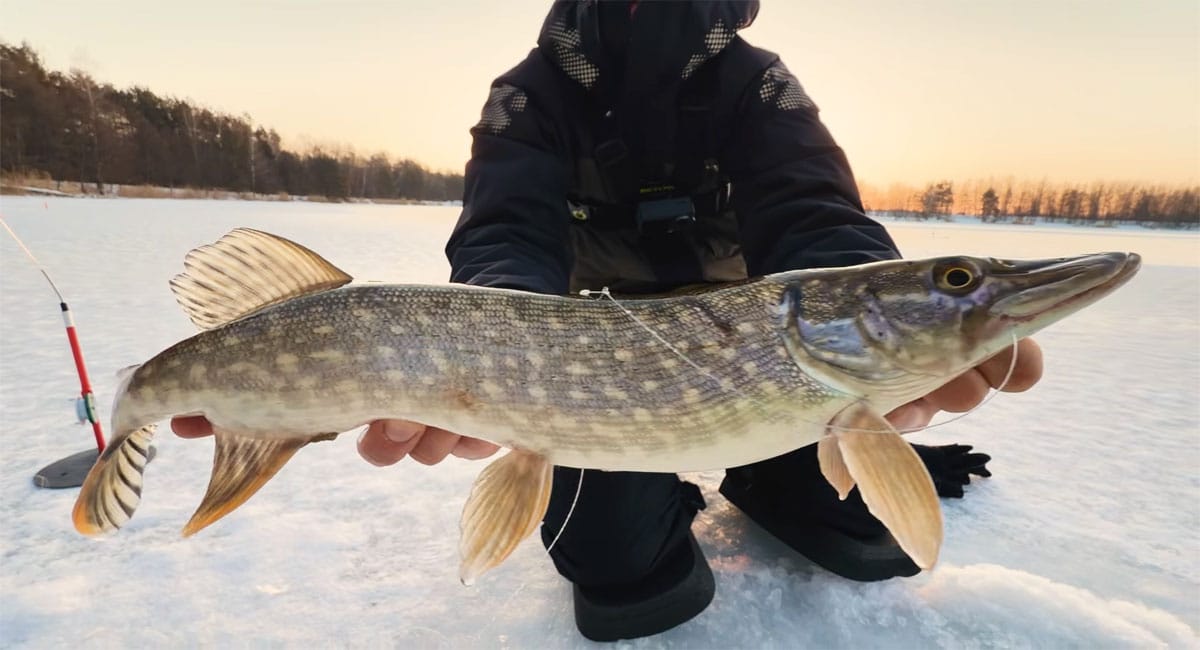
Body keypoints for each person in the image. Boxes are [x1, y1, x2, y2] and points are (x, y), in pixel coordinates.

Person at [175, 0, 1043, 641]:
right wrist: (488, 351)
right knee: (629, 585)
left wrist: (882, 304)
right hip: (587, 342)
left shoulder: (756, 80)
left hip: (753, 345)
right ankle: (669, 478)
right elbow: (504, 234)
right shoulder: (529, 94)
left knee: (867, 539)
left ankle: (752, 469)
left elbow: (812, 210)